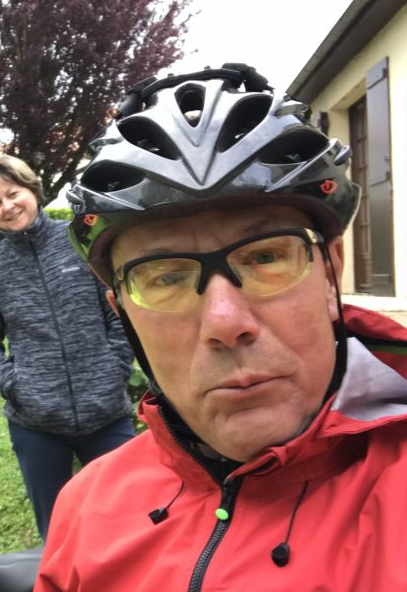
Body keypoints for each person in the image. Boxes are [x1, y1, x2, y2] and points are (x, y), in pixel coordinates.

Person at [35, 64, 407, 590]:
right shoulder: (83, 509)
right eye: (165, 277)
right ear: (123, 314)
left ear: (331, 275)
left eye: (266, 257)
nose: (225, 323)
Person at [0, 155, 137, 541]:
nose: (8, 206)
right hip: (36, 427)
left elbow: (119, 314)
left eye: (13, 194)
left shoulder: (79, 242)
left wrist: (114, 372)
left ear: (33, 190)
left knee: (127, 525)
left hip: (107, 415)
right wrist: (19, 386)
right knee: (59, 535)